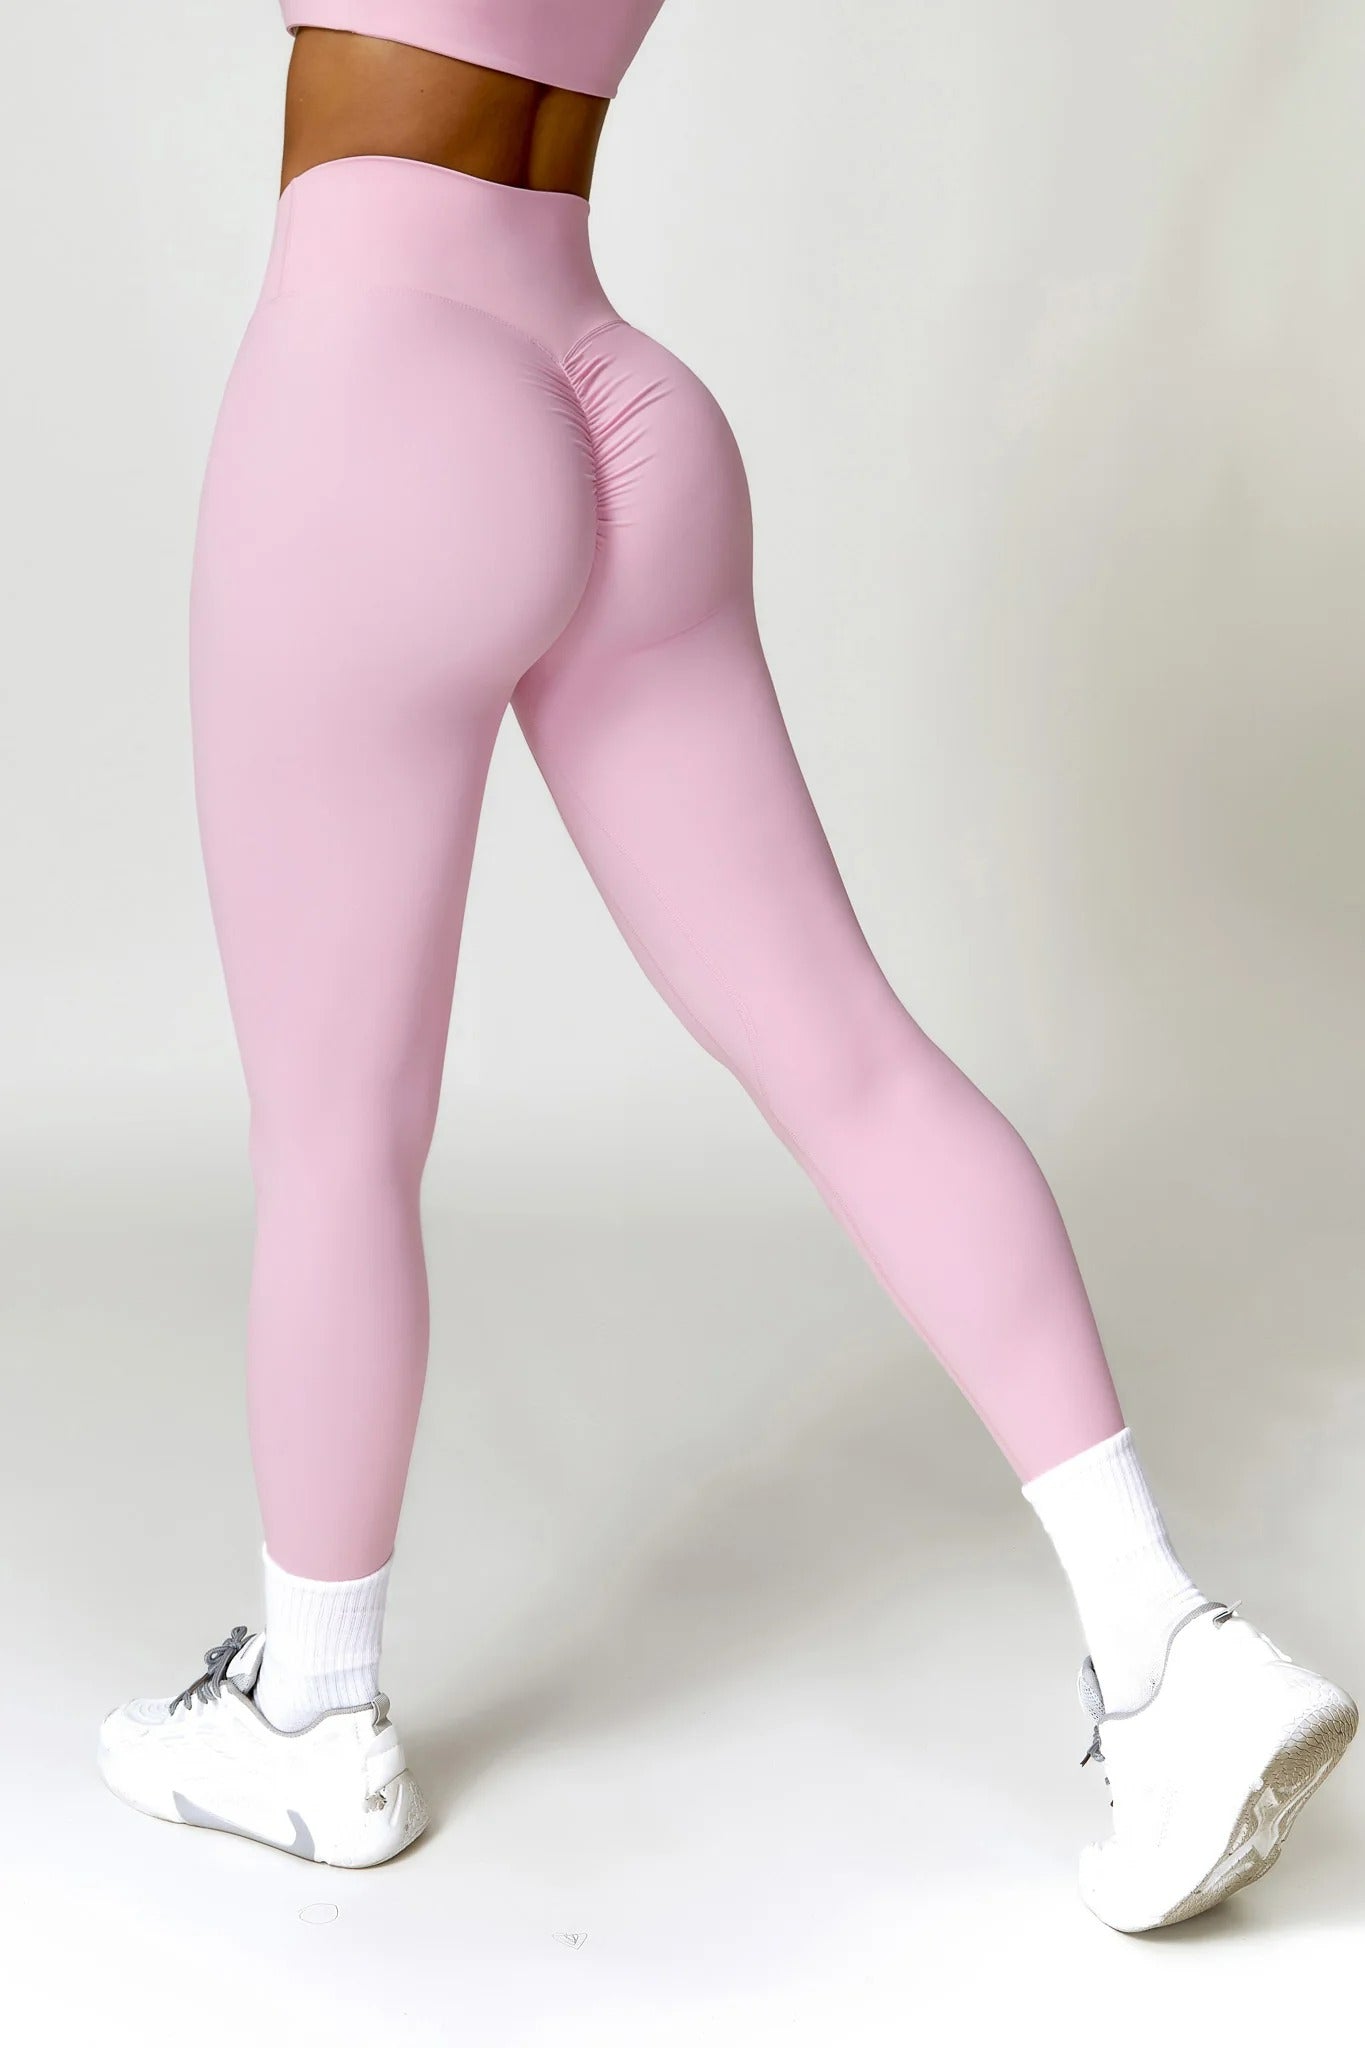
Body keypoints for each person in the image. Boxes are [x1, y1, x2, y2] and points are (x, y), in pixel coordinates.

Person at [96, 5, 1355, 1931]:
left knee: (335, 1130)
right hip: (618, 395)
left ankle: (310, 1715)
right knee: (849, 1056)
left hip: (378, 385)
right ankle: (1165, 1645)